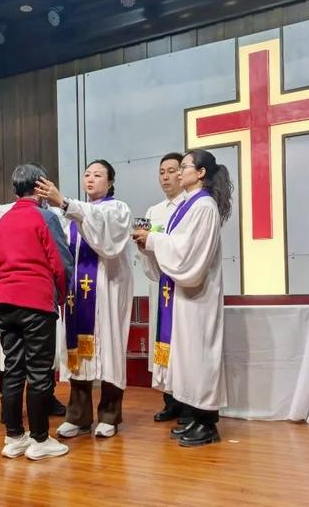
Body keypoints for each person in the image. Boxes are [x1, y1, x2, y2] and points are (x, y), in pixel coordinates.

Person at [132, 149, 233, 447]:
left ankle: (207, 423)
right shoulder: (188, 206)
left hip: (198, 298)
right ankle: (194, 417)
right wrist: (149, 244)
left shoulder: (203, 206)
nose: (177, 173)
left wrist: (153, 240)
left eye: (184, 167)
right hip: (184, 298)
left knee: (200, 358)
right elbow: (175, 244)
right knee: (189, 358)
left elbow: (188, 253)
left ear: (200, 173)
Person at [35, 159, 133, 439]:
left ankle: (110, 415)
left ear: (111, 182)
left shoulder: (118, 209)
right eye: (87, 174)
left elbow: (106, 238)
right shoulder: (73, 213)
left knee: (110, 348)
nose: (90, 179)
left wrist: (66, 204)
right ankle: (78, 416)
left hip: (107, 290)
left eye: (98, 175)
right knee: (76, 350)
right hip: (77, 294)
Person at [0, 164, 74, 460]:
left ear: (15, 189)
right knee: (40, 372)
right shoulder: (46, 216)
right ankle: (40, 440)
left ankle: (14, 436)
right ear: (40, 188)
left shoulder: (2, 221)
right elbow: (61, 262)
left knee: (13, 369)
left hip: (6, 300)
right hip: (36, 300)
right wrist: (61, 297)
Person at [138, 153, 191, 424]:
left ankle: (187, 403)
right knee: (163, 343)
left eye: (172, 171)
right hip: (161, 287)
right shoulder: (153, 212)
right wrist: (144, 248)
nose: (166, 176)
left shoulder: (191, 207)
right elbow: (150, 255)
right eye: (162, 172)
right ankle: (169, 401)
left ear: (182, 174)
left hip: (182, 287)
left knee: (181, 345)